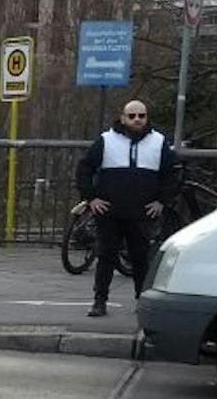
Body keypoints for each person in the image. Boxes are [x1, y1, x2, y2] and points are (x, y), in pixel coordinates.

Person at [75, 99, 183, 318]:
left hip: (141, 213)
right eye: (132, 116)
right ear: (123, 118)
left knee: (140, 258)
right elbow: (84, 168)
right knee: (106, 256)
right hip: (109, 212)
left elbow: (174, 173)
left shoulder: (158, 142)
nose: (137, 120)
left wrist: (162, 201)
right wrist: (91, 198)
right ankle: (99, 301)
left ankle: (141, 302)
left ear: (146, 118)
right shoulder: (106, 141)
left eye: (141, 116)